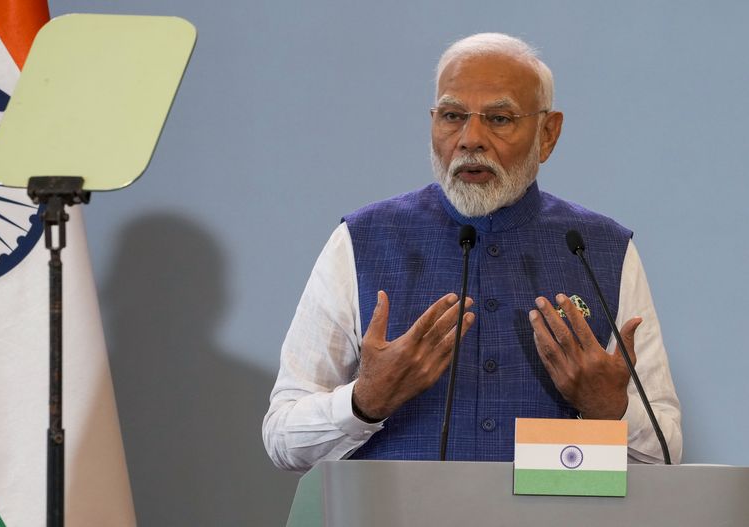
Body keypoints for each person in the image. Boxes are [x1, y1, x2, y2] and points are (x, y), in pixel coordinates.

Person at [263, 33, 682, 473]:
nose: (469, 139)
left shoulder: (601, 250)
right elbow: (281, 438)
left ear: (548, 133)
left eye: (499, 119)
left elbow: (666, 452)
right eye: (452, 116)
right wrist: (363, 402)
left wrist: (609, 411)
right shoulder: (362, 239)